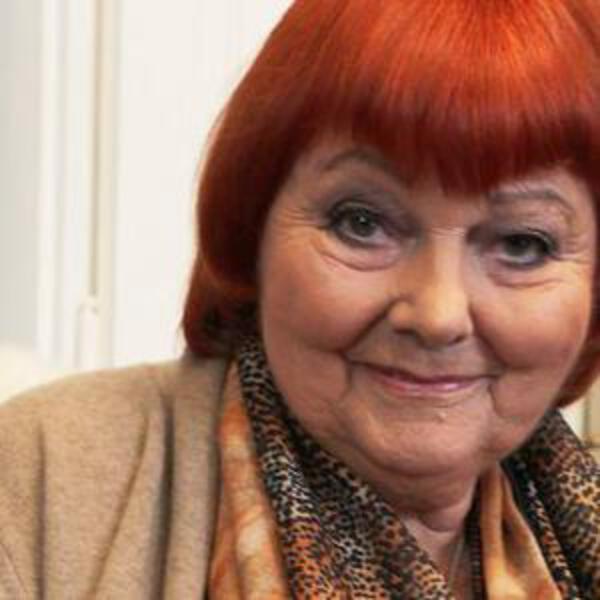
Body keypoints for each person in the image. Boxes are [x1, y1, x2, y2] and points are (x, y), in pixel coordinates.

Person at [1, 0, 600, 597]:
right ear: (251, 227)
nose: (438, 315)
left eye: (523, 244)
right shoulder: (36, 481)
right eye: (361, 223)